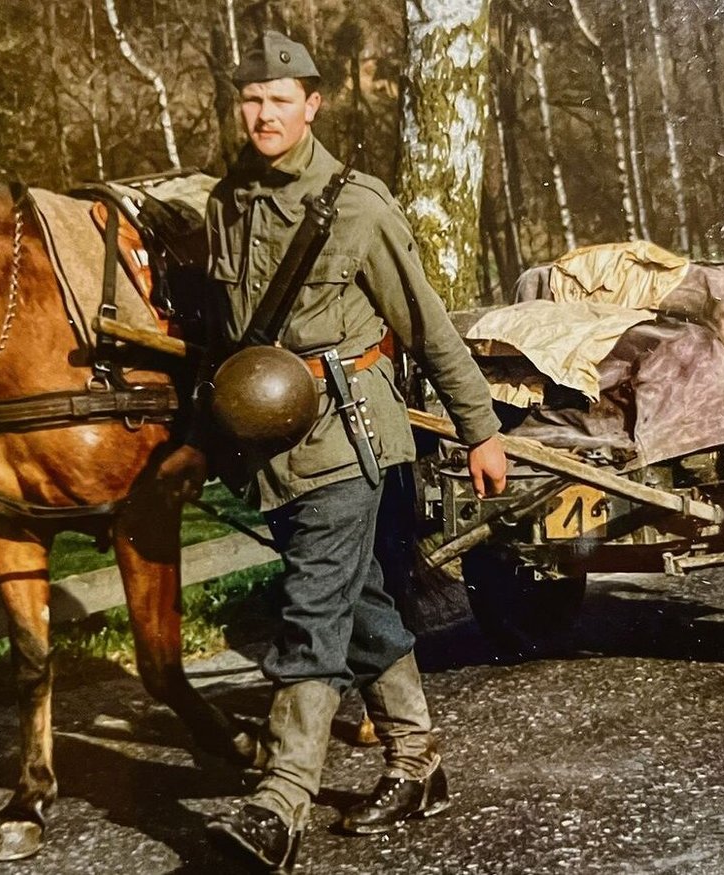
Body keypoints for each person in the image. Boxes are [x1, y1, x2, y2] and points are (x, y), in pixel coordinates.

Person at [164, 30, 508, 873]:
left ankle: (279, 802)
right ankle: (418, 760)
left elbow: (426, 325)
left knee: (312, 606)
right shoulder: (229, 201)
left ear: (312, 106)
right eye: (251, 101)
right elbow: (228, 335)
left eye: (280, 101)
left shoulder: (358, 206)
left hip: (348, 438)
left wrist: (482, 429)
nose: (263, 115)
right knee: (356, 599)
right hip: (268, 447)